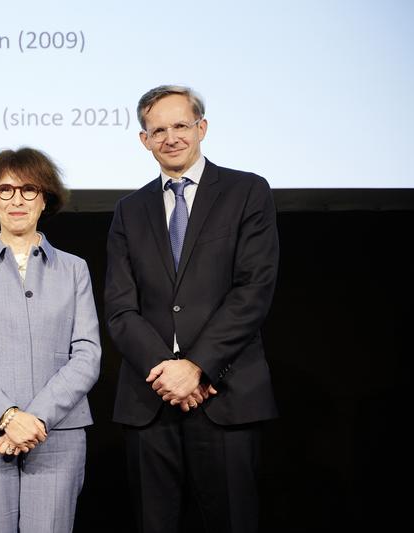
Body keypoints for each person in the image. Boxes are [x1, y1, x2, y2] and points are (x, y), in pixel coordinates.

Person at [105, 85, 279, 533]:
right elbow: (121, 308)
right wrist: (169, 372)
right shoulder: (129, 210)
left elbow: (253, 290)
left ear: (201, 128)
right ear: (144, 140)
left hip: (228, 395)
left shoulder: (246, 191)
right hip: (152, 399)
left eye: (180, 125)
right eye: (157, 130)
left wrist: (197, 367)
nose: (171, 137)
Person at [0, 147, 101, 533]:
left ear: (45, 198)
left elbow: (87, 355)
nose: (17, 200)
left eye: (29, 189)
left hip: (57, 437)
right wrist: (8, 417)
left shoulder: (75, 269)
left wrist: (34, 420)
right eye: (5, 190)